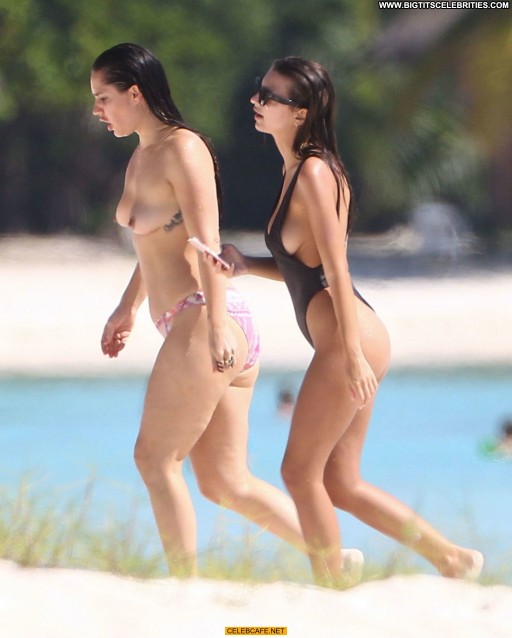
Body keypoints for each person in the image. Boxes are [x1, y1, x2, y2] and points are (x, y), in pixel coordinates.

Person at [90, 44, 361, 579]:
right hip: (195, 321)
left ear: (134, 94)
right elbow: (156, 244)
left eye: (104, 97)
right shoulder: (142, 155)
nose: (97, 109)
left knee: (154, 459)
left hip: (207, 317)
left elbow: (206, 241)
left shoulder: (184, 149)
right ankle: (334, 557)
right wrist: (126, 307)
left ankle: (183, 586)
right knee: (223, 482)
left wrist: (215, 325)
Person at [216, 56, 484, 587]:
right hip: (351, 335)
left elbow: (336, 266)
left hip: (349, 338)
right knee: (339, 481)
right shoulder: (296, 168)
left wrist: (354, 356)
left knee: (298, 472)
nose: (256, 101)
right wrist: (247, 264)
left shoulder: (315, 172)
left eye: (269, 96)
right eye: (258, 90)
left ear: (301, 111)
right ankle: (453, 559)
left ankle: (330, 584)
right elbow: (305, 267)